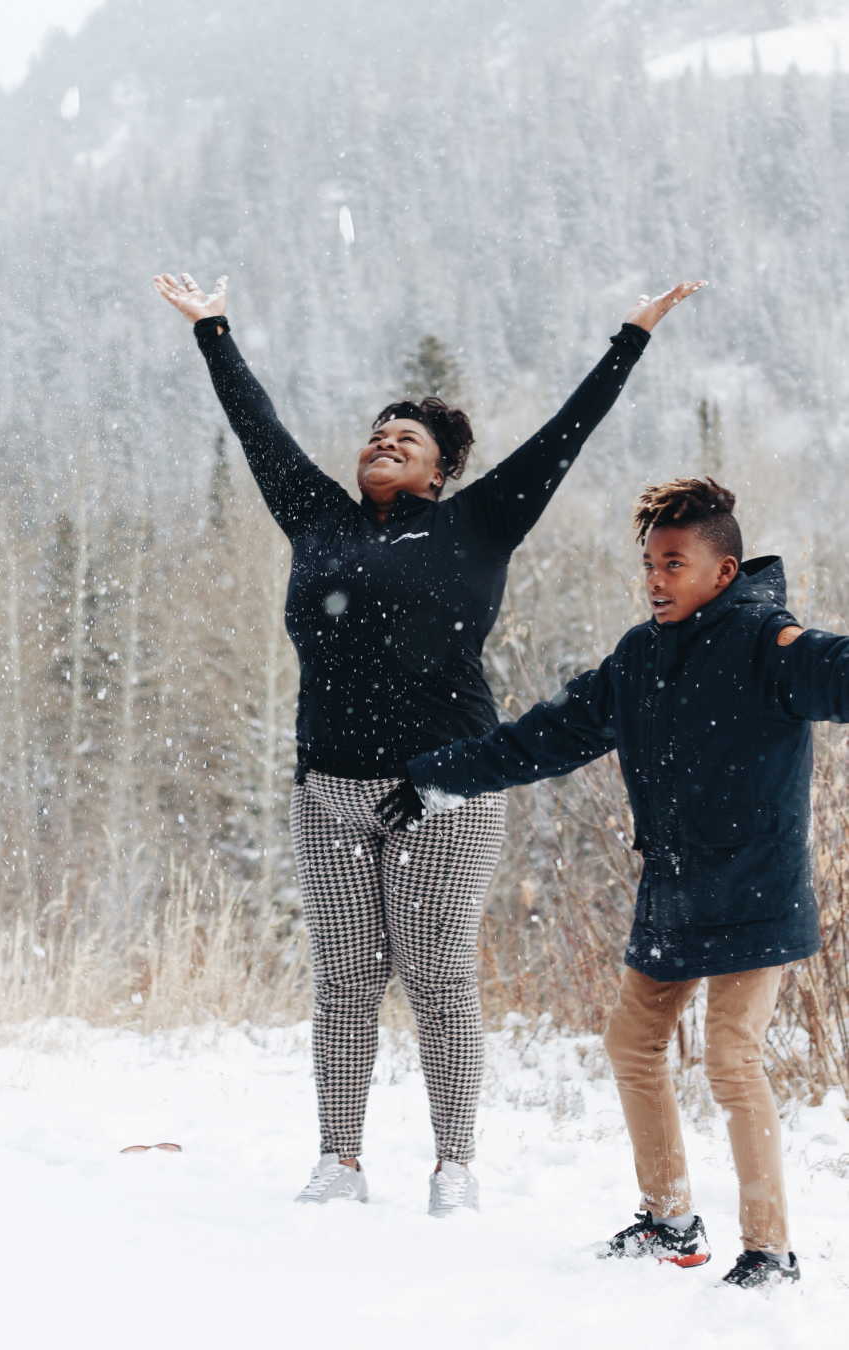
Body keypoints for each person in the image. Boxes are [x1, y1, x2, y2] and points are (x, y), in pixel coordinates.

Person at [153, 268, 704, 1215]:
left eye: (404, 441)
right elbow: (259, 430)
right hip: (326, 784)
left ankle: (455, 1165)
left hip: (445, 785)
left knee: (438, 973)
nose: (381, 445)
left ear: (438, 470)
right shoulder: (318, 520)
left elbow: (567, 433)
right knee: (344, 981)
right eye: (375, 434)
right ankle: (341, 1161)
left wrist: (631, 333)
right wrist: (213, 329)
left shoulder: (479, 524)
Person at [378, 476, 843, 1279]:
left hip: (755, 891)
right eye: (650, 564)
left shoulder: (772, 647)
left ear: (723, 572)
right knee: (632, 1044)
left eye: (674, 564)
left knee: (732, 1059)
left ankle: (770, 1250)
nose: (656, 580)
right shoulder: (638, 659)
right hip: (672, 890)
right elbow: (543, 736)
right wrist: (436, 777)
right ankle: (669, 1222)